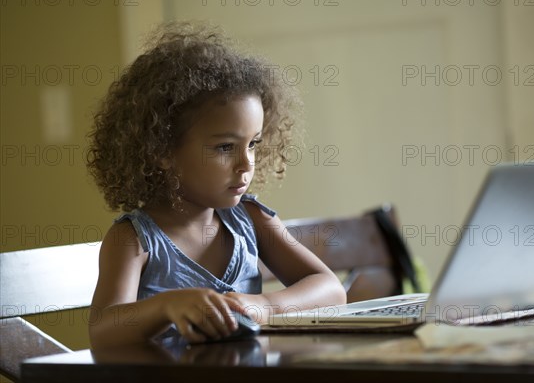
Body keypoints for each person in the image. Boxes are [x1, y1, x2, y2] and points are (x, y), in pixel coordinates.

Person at [86, 21, 346, 349]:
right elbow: (103, 331)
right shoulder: (135, 240)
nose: (246, 163)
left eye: (252, 144)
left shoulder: (251, 219)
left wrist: (266, 306)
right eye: (225, 147)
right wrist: (166, 307)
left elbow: (331, 289)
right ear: (162, 151)